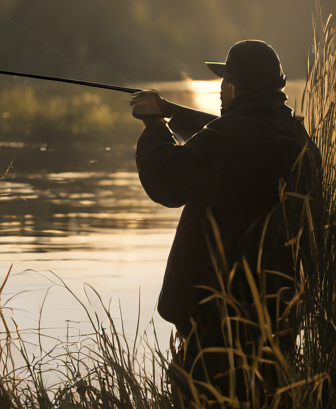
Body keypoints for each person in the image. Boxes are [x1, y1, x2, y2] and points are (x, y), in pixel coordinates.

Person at [131, 40, 320, 399]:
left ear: (233, 86)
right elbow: (227, 139)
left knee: (199, 392)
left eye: (224, 82)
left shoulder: (230, 138)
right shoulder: (297, 137)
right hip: (275, 307)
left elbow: (166, 183)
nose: (220, 90)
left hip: (218, 312)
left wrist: (155, 125)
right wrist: (172, 111)